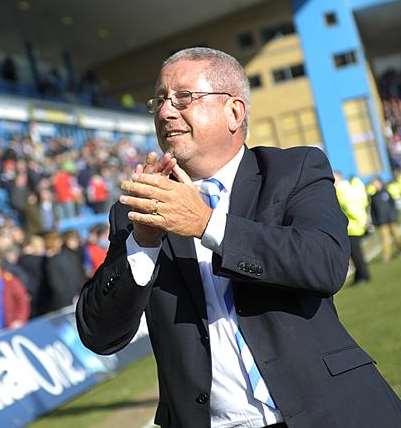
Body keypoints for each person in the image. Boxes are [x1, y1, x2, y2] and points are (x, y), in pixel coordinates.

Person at [76, 47, 401, 428]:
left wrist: (208, 224)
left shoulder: (293, 169)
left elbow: (325, 264)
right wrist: (142, 245)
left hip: (331, 412)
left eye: (184, 98)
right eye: (160, 101)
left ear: (234, 111)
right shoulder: (138, 208)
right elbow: (99, 334)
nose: (165, 112)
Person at [334, 171, 371, 285]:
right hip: (354, 226)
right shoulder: (349, 187)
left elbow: (350, 207)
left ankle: (363, 275)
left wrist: (361, 220)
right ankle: (359, 275)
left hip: (351, 227)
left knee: (356, 254)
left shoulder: (341, 190)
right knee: (354, 254)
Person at [369, 176, 401, 262]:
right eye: (374, 184)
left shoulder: (387, 192)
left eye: (376, 183)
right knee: (385, 240)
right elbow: (373, 211)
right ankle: (386, 257)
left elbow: (393, 204)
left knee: (397, 236)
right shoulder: (373, 196)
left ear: (380, 183)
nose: (375, 185)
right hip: (381, 222)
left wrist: (394, 215)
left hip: (391, 219)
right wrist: (375, 221)